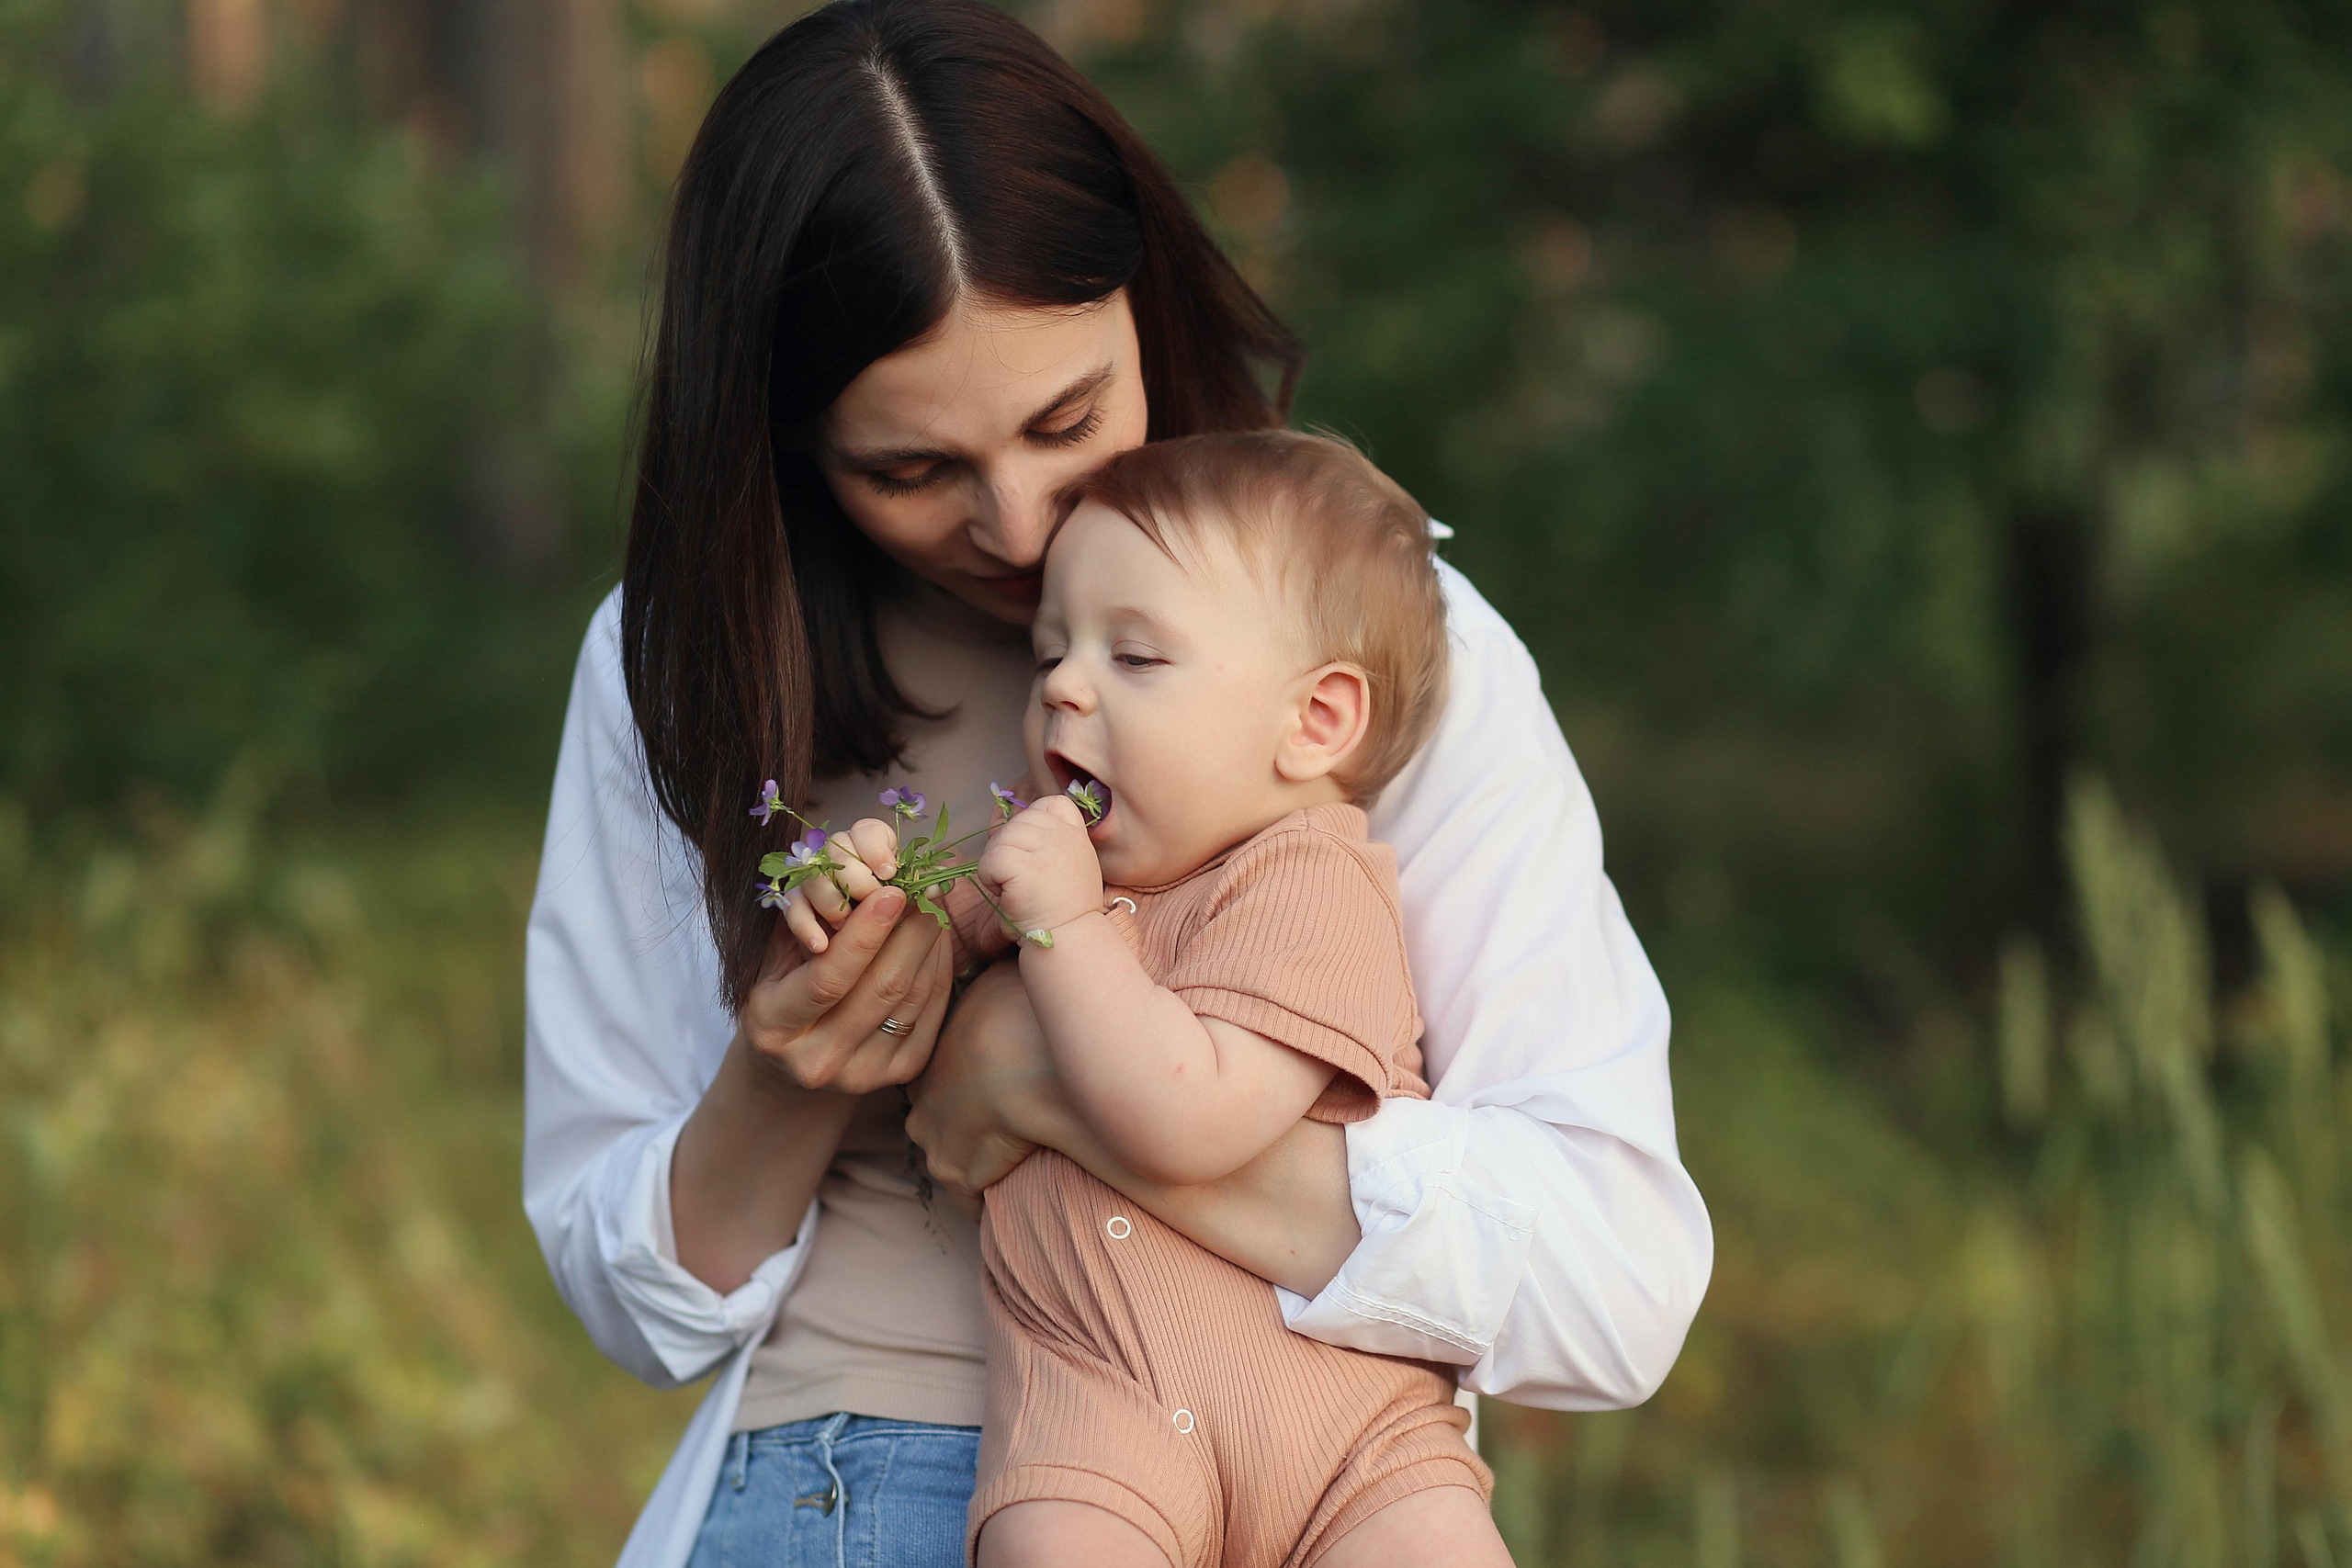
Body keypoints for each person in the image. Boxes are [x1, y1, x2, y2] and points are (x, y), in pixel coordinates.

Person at [521, 4, 1712, 1567]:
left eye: (1068, 420)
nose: (1018, 527)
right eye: (910, 469)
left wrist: (1061, 1081)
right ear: (788, 446)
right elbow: (630, 1299)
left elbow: (1614, 1277)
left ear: (1148, 301)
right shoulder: (686, 664)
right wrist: (789, 1078)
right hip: (861, 1465)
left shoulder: (1372, 643)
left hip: (1325, 1486)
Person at [795, 433, 1508, 1567]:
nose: (1061, 687)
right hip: (1097, 1417)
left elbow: (1190, 1118)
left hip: (1346, 1437)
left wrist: (1068, 929)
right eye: (1050, 654)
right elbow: (906, 984)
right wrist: (862, 901)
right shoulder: (1046, 863)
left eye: (1133, 657)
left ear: (1315, 723)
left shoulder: (1311, 881)